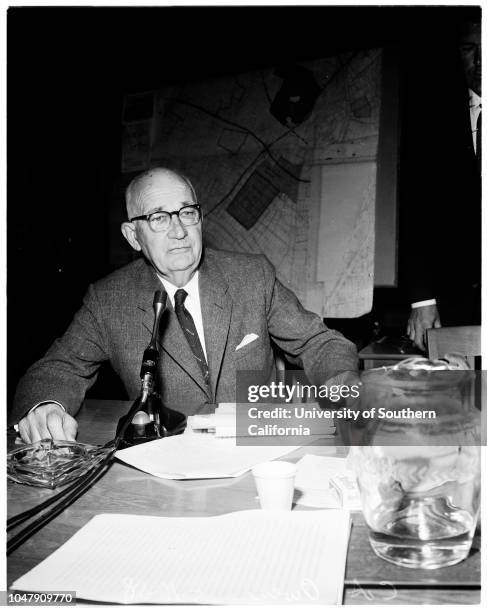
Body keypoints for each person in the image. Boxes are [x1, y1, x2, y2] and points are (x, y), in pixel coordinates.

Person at [11, 167, 359, 443]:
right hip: (166, 463)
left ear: (200, 220)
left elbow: (319, 342)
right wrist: (45, 407)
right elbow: (56, 369)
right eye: (159, 218)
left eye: (187, 213)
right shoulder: (108, 301)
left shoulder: (251, 276)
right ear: (133, 236)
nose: (178, 230)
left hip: (260, 449)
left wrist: (341, 383)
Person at [404, 18, 481, 351]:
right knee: (466, 398)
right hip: (456, 303)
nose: (480, 62)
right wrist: (422, 301)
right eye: (469, 49)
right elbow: (415, 207)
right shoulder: (432, 117)